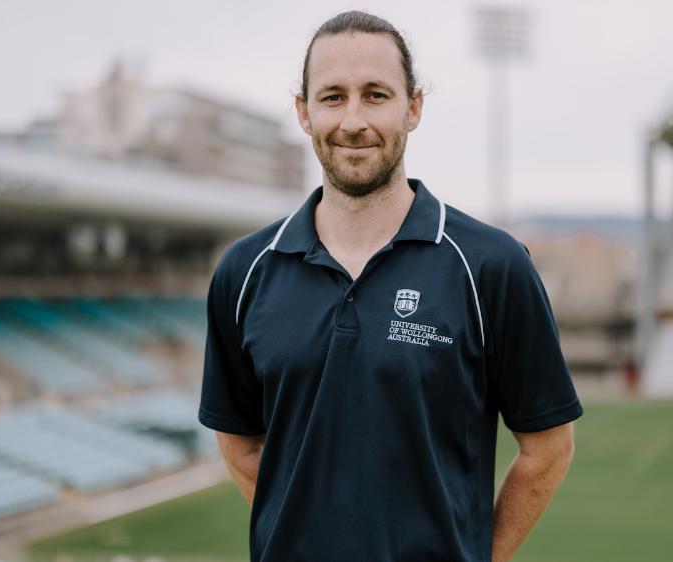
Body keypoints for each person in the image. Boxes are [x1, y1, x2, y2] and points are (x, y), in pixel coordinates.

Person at [199, 10, 582, 562]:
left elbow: (548, 449)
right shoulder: (245, 271)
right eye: (332, 97)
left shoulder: (491, 266)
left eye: (375, 94)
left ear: (414, 107)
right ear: (304, 113)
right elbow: (239, 444)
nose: (353, 120)